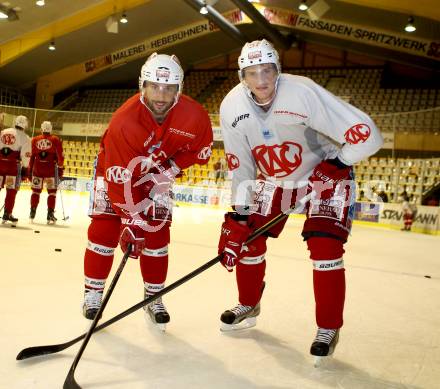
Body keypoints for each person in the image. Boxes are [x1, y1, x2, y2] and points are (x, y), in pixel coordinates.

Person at [217, 40, 383, 362]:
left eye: (267, 70)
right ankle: (249, 303)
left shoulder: (302, 92)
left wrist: (337, 164)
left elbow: (368, 135)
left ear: (278, 70)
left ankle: (328, 326)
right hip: (275, 179)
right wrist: (239, 216)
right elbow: (242, 165)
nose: (261, 80)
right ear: (242, 76)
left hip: (326, 175)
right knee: (249, 238)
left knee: (325, 246)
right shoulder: (231, 107)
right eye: (252, 73)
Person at [82, 53, 213, 331]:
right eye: (154, 86)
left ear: (180, 89)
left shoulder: (195, 116)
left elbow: (197, 152)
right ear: (142, 85)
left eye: (169, 88)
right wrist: (130, 222)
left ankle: (154, 297)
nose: (161, 95)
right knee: (104, 230)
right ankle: (93, 294)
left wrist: (169, 170)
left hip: (157, 172)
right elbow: (120, 180)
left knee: (157, 235)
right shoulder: (124, 121)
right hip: (116, 170)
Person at [29, 121, 64, 224]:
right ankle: (50, 214)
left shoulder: (35, 139)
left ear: (41, 128)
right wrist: (61, 168)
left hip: (37, 169)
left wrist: (29, 171)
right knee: (52, 192)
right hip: (50, 170)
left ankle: (32, 211)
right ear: (51, 128)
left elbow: (31, 157)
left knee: (35, 191)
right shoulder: (55, 139)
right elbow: (60, 156)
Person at [0, 115, 31, 226]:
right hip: (12, 167)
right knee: (11, 191)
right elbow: (26, 155)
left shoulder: (3, 132)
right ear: (25, 125)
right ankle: (7, 213)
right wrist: (25, 168)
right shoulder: (25, 137)